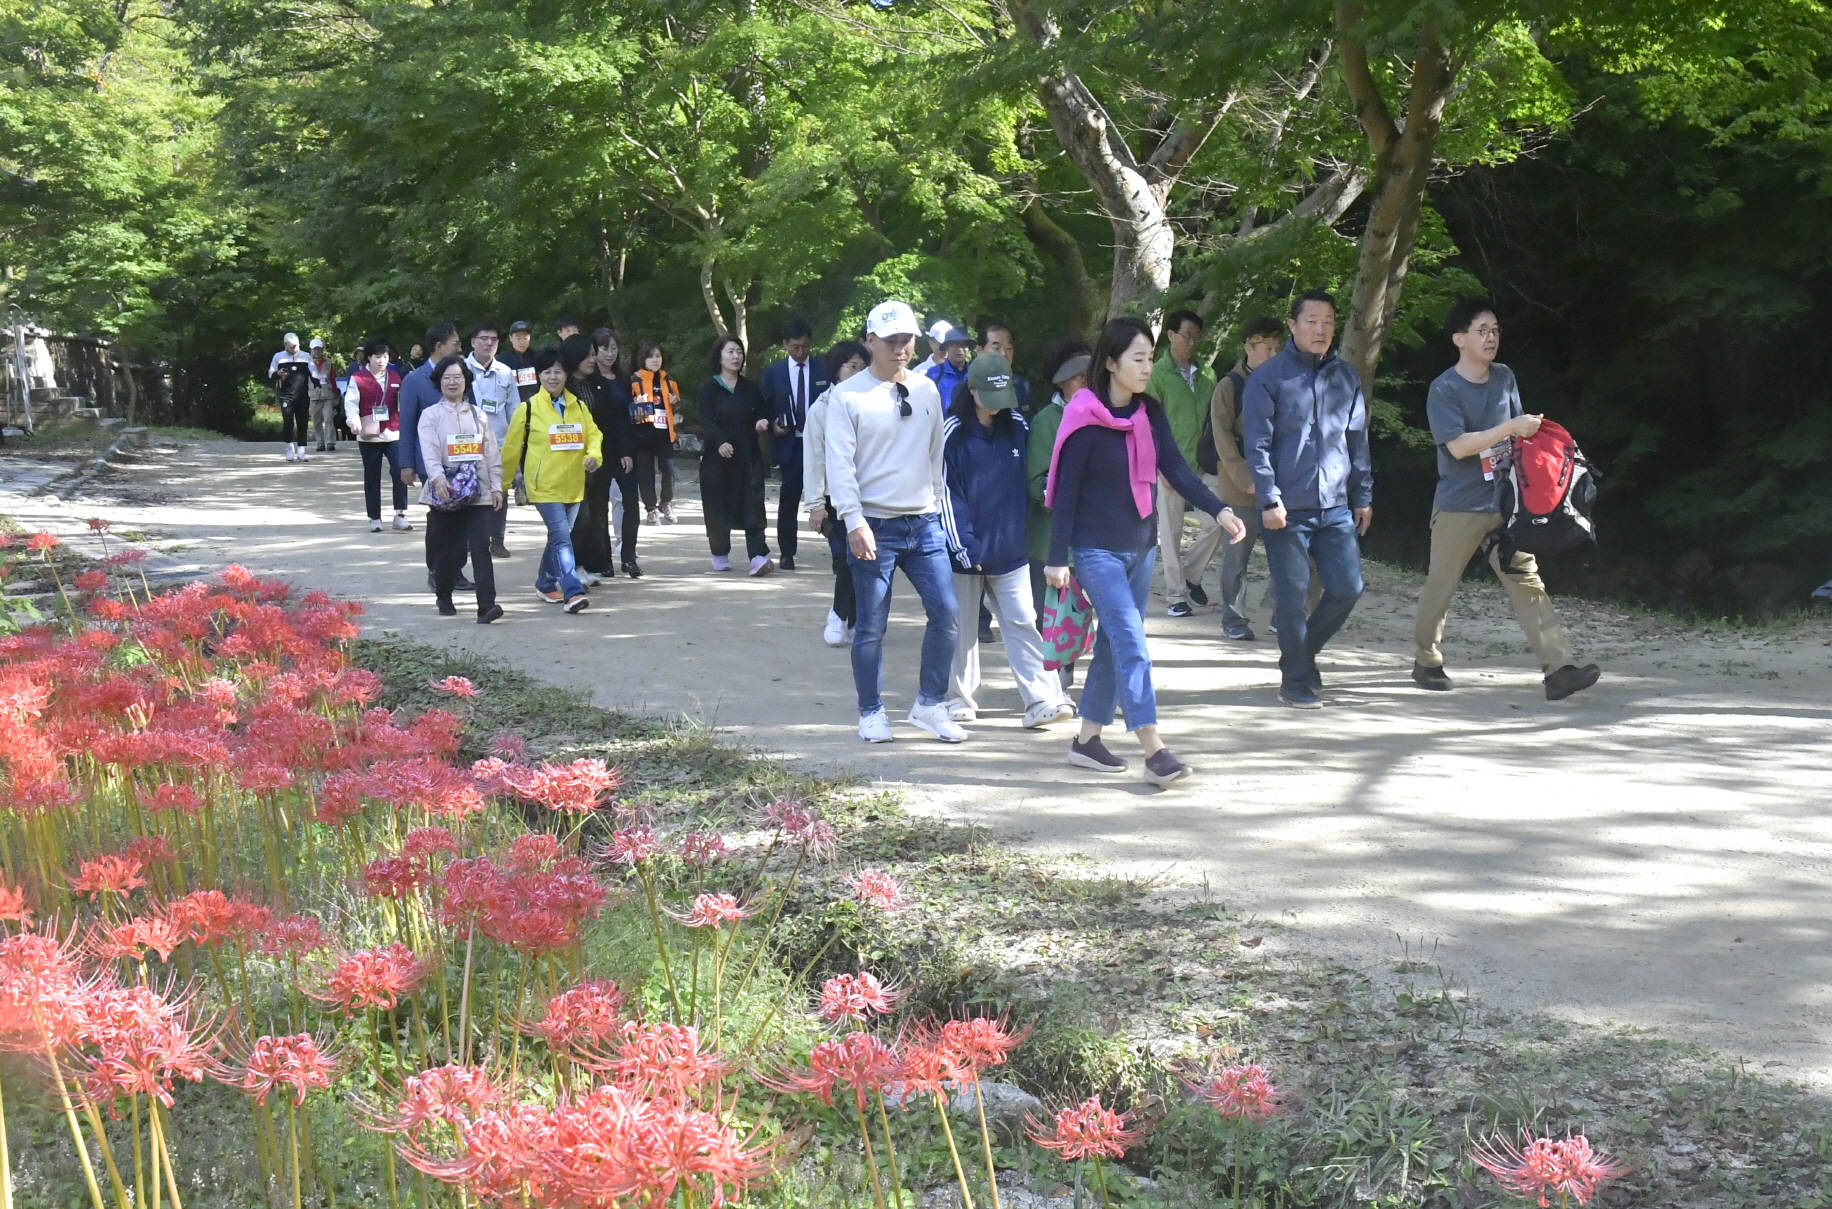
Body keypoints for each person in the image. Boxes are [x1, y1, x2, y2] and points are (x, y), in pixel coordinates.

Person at [1044, 317, 1246, 785]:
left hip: (1140, 546)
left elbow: (1176, 469)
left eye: (1149, 357)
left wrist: (1219, 510)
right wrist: (1057, 559)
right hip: (1096, 551)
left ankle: (1087, 740)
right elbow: (1066, 493)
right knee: (1133, 643)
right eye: (1137, 358)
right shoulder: (1083, 416)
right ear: (1110, 363)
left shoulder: (1148, 414)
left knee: (1117, 645)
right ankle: (1154, 749)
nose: (1145, 366)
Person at [1413, 299, 1600, 700]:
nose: (1491, 337)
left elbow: (1518, 438)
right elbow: (1459, 447)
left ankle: (1559, 669)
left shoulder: (1504, 377)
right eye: (1482, 330)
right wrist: (1510, 427)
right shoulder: (1444, 388)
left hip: (1506, 504)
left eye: (1495, 329)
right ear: (1459, 339)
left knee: (1527, 582)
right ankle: (1426, 661)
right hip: (1459, 504)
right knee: (1440, 586)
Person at [826, 300, 963, 745]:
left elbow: (936, 452)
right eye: (891, 341)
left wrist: (936, 505)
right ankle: (871, 711)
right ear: (869, 342)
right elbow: (840, 466)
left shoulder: (925, 390)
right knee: (871, 625)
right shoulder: (847, 396)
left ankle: (930, 703)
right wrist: (852, 520)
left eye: (907, 339)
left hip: (923, 522)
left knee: (947, 612)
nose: (901, 348)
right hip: (873, 524)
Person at [1242, 289, 1372, 710]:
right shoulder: (1268, 377)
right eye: (1312, 320)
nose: (1321, 329)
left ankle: (1300, 654)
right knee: (1292, 595)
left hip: (1334, 504)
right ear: (1294, 325)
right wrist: (1269, 499)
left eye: (1329, 321)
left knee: (1347, 587)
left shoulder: (1346, 377)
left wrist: (1363, 495)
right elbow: (1257, 446)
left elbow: (1357, 439)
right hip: (1286, 508)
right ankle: (1294, 680)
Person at [941, 352, 1075, 727]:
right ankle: (959, 698)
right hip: (965, 552)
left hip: (1011, 548)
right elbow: (945, 494)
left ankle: (1042, 700)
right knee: (963, 627)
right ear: (971, 390)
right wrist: (963, 546)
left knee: (1022, 622)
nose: (999, 408)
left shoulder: (1018, 425)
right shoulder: (952, 432)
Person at [499, 346, 603, 613]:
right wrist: (501, 486)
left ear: (566, 375)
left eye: (558, 371)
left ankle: (545, 583)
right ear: (538, 376)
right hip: (543, 486)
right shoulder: (528, 409)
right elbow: (511, 451)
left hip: (573, 484)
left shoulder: (578, 406)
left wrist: (594, 456)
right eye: (547, 372)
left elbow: (594, 435)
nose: (553, 377)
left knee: (559, 538)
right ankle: (572, 592)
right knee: (561, 537)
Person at [1206, 318, 1285, 640]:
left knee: (1287, 550)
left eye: (1277, 347)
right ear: (1249, 347)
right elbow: (1221, 436)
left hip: (1279, 483)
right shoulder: (1230, 385)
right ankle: (1234, 619)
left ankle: (1282, 612)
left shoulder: (1283, 381)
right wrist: (1243, 476)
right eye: (1268, 347)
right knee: (1237, 555)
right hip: (1239, 486)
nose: (1274, 353)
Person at [417, 356, 505, 623]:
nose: (452, 382)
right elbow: (430, 452)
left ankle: (487, 606)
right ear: (438, 382)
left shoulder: (479, 416)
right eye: (447, 377)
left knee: (481, 546)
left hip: (477, 492)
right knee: (448, 549)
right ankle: (444, 595)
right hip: (445, 493)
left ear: (466, 381)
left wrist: (497, 486)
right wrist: (437, 478)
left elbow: (491, 454)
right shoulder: (430, 416)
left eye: (457, 377)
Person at [1146, 309, 1222, 617]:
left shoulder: (1208, 374)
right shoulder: (1157, 374)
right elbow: (1149, 423)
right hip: (1170, 465)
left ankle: (1191, 573)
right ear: (1171, 336)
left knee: (1217, 521)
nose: (1191, 342)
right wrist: (1160, 463)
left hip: (1203, 464)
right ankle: (1175, 596)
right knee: (1171, 531)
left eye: (1195, 337)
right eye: (1185, 335)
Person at [1027, 337, 1092, 683]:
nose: (1086, 382)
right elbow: (1035, 483)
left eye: (1089, 374)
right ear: (1061, 382)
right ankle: (1053, 684)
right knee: (1051, 616)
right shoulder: (1045, 422)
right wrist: (1069, 494)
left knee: (1081, 614)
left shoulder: (1102, 414)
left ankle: (1078, 679)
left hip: (1093, 536)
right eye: (1078, 376)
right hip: (1050, 537)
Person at [805, 340, 869, 646]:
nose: (857, 372)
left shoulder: (873, 403)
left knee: (865, 560)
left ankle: (856, 620)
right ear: (836, 370)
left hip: (870, 494)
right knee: (845, 559)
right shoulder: (821, 409)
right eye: (851, 366)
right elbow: (814, 459)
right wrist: (816, 504)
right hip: (836, 497)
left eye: (862, 366)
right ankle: (837, 614)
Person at [398, 322, 470, 592]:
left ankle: (457, 570)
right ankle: (436, 569)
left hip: (461, 458)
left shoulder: (461, 375)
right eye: (455, 343)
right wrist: (406, 464)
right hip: (430, 462)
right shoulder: (414, 380)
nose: (459, 348)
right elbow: (406, 425)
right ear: (439, 347)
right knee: (440, 518)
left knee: (462, 516)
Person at [698, 335, 774, 575]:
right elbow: (706, 420)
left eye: (739, 352)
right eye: (730, 351)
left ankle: (758, 555)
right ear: (719, 356)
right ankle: (720, 551)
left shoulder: (750, 388)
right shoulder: (709, 388)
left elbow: (761, 412)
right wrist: (719, 441)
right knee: (718, 506)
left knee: (753, 503)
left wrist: (762, 421)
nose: (735, 357)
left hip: (748, 457)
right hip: (717, 460)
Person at [569, 334, 639, 584]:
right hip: (570, 459)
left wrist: (623, 450)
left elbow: (615, 422)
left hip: (601, 454)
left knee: (600, 510)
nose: (594, 359)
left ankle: (599, 563)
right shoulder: (562, 386)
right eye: (590, 354)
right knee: (584, 515)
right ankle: (579, 565)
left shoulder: (600, 384)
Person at [762, 319, 830, 571]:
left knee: (829, 498)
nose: (800, 352)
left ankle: (838, 551)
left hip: (822, 444)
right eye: (794, 347)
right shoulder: (774, 372)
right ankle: (787, 552)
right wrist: (773, 425)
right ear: (785, 345)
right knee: (789, 499)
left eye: (805, 346)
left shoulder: (824, 368)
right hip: (791, 444)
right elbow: (765, 407)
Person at [341, 338, 411, 533]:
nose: (382, 360)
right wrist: (352, 421)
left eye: (385, 356)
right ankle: (374, 517)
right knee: (372, 476)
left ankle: (400, 514)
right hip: (369, 434)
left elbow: (403, 403)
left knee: (400, 472)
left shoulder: (396, 377)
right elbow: (351, 403)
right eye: (378, 356)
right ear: (369, 357)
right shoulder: (358, 378)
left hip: (393, 432)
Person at [592, 328, 644, 577]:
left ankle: (629, 557)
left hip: (625, 449)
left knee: (631, 504)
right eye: (604, 348)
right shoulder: (588, 380)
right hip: (598, 450)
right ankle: (603, 560)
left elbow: (625, 417)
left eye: (613, 348)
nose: (610, 353)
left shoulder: (624, 378)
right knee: (599, 506)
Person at [466, 322, 519, 560]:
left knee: (501, 491)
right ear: (473, 341)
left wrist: (516, 442)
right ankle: (471, 537)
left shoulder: (506, 372)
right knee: (470, 490)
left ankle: (497, 539)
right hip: (468, 441)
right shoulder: (461, 369)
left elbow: (514, 409)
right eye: (484, 338)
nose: (489, 343)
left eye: (494, 340)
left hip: (499, 440)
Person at [630, 343, 680, 524]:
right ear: (643, 359)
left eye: (658, 356)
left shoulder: (670, 380)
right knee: (645, 473)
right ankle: (651, 509)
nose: (655, 360)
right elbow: (627, 408)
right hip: (642, 433)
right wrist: (637, 405)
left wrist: (675, 403)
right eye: (650, 356)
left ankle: (666, 502)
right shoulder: (634, 380)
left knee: (669, 470)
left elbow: (678, 405)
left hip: (665, 433)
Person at [268, 332, 316, 463]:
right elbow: (270, 373)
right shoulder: (278, 357)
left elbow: (314, 373)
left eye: (296, 346)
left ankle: (301, 451)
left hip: (302, 395)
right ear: (285, 345)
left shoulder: (306, 357)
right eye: (291, 346)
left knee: (303, 423)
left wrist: (318, 383)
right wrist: (278, 374)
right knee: (288, 422)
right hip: (286, 395)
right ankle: (289, 448)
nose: (294, 348)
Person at [976, 322, 1031, 413]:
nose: (1003, 354)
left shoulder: (1021, 385)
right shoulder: (968, 386)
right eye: (996, 348)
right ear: (980, 351)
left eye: (1008, 348)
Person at [924, 325, 973, 415]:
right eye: (954, 345)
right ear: (946, 348)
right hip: (944, 427)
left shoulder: (975, 373)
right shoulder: (934, 374)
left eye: (963, 345)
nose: (960, 349)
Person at [306, 338, 342, 453]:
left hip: (327, 394)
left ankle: (330, 442)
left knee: (328, 418)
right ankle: (320, 443)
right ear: (311, 350)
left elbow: (332, 378)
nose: (317, 352)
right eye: (315, 349)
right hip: (313, 395)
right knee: (316, 420)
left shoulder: (328, 362)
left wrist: (336, 392)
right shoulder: (306, 363)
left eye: (319, 349)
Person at [500, 320, 540, 403]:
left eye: (525, 338)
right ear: (511, 338)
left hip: (536, 403)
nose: (522, 342)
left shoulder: (537, 357)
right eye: (518, 338)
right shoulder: (502, 360)